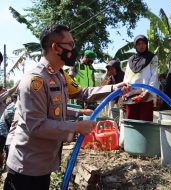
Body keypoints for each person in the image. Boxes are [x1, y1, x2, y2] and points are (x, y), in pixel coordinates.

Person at [4, 24, 130, 190]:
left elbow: (82, 92)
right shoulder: (35, 81)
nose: (74, 49)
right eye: (70, 44)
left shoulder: (59, 76)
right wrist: (77, 126)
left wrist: (114, 88)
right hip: (27, 167)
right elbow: (37, 125)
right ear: (55, 47)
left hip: (44, 164)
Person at [123, 35, 159, 121]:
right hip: (131, 96)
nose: (141, 46)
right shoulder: (131, 60)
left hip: (145, 96)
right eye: (138, 44)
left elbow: (154, 75)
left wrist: (148, 91)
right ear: (135, 46)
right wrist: (124, 92)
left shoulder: (152, 58)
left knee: (145, 123)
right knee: (131, 123)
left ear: (146, 44)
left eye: (143, 43)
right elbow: (127, 76)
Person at [0, 94, 17, 168]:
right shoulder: (13, 107)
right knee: (3, 149)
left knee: (7, 149)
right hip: (3, 131)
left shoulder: (15, 106)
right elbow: (11, 122)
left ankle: (5, 165)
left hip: (7, 130)